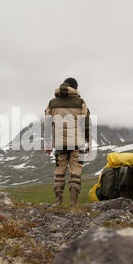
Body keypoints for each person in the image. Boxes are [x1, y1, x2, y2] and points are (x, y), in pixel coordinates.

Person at [44, 77, 91, 208]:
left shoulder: (52, 103)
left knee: (59, 172)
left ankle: (58, 203)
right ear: (75, 88)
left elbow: (48, 124)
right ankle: (73, 205)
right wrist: (88, 141)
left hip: (59, 144)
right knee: (75, 172)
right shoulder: (80, 102)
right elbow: (86, 123)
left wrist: (48, 143)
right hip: (77, 144)